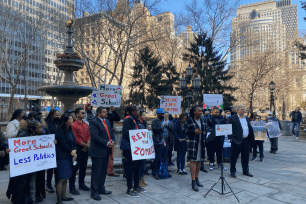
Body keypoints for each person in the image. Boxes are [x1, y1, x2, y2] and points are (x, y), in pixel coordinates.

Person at [89, 106, 114, 201]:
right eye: (104, 112)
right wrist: (107, 143)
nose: (106, 113)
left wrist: (113, 141)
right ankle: (94, 192)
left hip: (106, 150)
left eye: (106, 111)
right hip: (97, 151)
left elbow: (110, 133)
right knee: (96, 172)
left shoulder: (107, 121)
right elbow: (95, 136)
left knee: (103, 171)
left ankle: (101, 188)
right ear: (99, 113)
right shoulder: (94, 122)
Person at [121, 106, 146, 197]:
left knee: (138, 168)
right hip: (129, 148)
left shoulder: (137, 120)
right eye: (137, 111)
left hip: (138, 148)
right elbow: (125, 134)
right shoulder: (128, 120)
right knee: (130, 169)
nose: (138, 112)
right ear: (133, 111)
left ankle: (136, 186)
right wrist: (136, 140)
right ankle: (129, 189)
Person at [183, 106, 208, 192]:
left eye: (201, 111)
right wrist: (194, 131)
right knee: (193, 161)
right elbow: (184, 132)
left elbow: (206, 130)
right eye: (199, 111)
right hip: (193, 145)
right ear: (194, 112)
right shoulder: (189, 120)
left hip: (202, 144)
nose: (201, 112)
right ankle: (193, 181)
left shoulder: (203, 120)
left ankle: (197, 179)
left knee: (199, 161)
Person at [228, 106, 254, 178]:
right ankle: (233, 171)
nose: (243, 110)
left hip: (246, 140)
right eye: (242, 109)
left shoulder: (246, 118)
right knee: (234, 157)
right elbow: (229, 129)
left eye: (244, 109)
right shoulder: (232, 118)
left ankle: (245, 171)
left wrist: (251, 138)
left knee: (245, 157)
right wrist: (231, 138)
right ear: (237, 111)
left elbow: (249, 128)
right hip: (236, 140)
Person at [69, 108, 91, 195]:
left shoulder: (85, 124)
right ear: (77, 114)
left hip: (85, 148)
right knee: (74, 168)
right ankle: (72, 186)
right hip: (78, 148)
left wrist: (87, 145)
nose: (84, 114)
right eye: (82, 113)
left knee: (83, 167)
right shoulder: (74, 125)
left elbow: (89, 135)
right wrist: (86, 145)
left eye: (84, 113)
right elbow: (76, 138)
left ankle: (81, 184)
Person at [55, 114, 76, 204]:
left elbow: (73, 141)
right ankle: (59, 200)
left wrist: (74, 150)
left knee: (66, 177)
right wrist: (71, 151)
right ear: (65, 121)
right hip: (62, 157)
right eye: (70, 119)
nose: (72, 121)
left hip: (69, 156)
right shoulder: (60, 130)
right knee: (61, 178)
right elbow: (63, 144)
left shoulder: (70, 129)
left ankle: (64, 196)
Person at [45, 109, 60, 193]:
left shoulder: (58, 123)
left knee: (57, 167)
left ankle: (57, 183)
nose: (58, 116)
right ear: (52, 115)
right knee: (50, 167)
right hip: (50, 148)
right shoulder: (47, 123)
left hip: (58, 148)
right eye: (56, 114)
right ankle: (48, 184)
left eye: (58, 114)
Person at [152, 108, 166, 180]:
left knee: (162, 157)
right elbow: (155, 130)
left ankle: (161, 172)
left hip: (162, 140)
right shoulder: (155, 121)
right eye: (161, 114)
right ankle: (155, 172)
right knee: (157, 158)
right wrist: (161, 126)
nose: (162, 115)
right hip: (157, 141)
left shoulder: (163, 121)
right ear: (158, 114)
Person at [106, 106, 120, 177]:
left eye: (108, 109)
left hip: (110, 137)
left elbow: (118, 118)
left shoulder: (110, 115)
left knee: (111, 155)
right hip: (103, 138)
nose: (107, 110)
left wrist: (113, 110)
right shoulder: (98, 119)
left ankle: (110, 170)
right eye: (106, 109)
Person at [138, 110, 149, 187]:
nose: (145, 116)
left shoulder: (144, 123)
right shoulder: (138, 123)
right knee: (140, 164)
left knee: (143, 164)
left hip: (144, 145)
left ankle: (142, 178)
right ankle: (139, 180)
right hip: (140, 146)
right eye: (143, 115)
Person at [162, 112, 173, 176]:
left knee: (166, 153)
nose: (166, 116)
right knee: (162, 154)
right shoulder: (161, 121)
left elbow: (171, 129)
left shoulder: (170, 122)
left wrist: (167, 125)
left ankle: (165, 167)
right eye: (165, 115)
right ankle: (161, 167)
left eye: (167, 115)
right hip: (162, 139)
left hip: (167, 140)